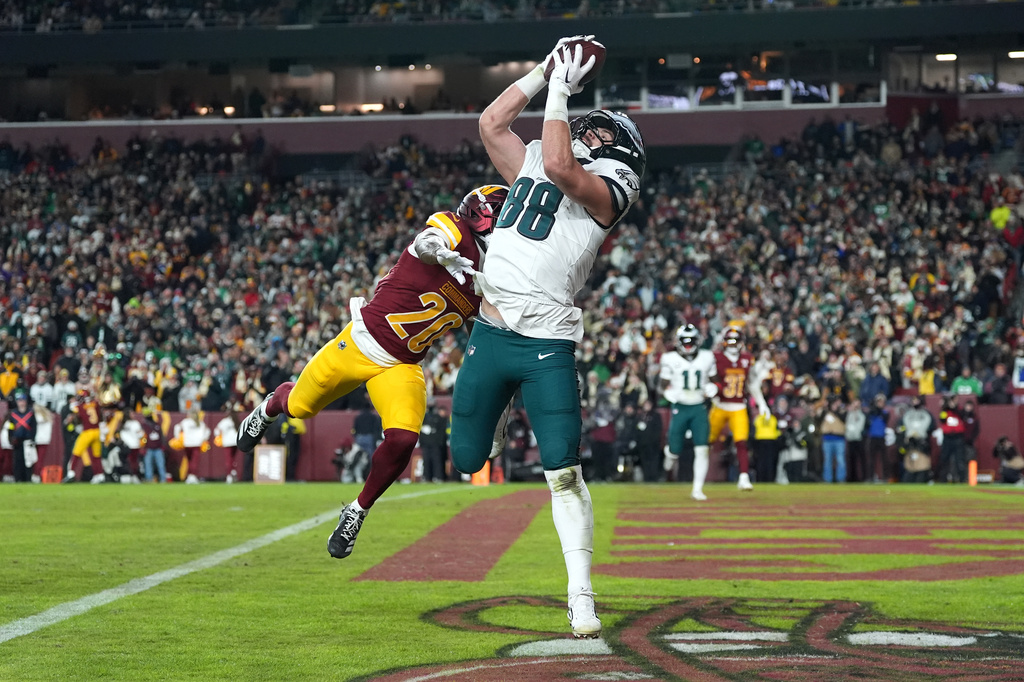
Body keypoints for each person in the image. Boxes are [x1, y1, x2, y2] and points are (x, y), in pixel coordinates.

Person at [448, 35, 645, 639]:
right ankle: (498, 409)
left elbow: (562, 166)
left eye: (597, 132)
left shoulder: (611, 186)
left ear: (617, 151)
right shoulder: (535, 154)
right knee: (465, 460)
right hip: (490, 328)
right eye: (582, 125)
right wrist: (545, 71)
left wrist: (561, 91)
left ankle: (580, 595)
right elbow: (490, 123)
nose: (585, 132)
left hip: (546, 343)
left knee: (563, 469)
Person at [235, 184, 509, 557]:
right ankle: (269, 407)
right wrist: (445, 256)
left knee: (403, 439)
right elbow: (428, 243)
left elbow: (480, 336)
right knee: (299, 407)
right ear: (486, 215)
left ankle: (356, 511)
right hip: (362, 341)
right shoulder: (451, 230)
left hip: (403, 365)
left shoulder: (488, 277)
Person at [659, 324, 717, 500]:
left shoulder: (707, 357)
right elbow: (662, 384)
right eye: (685, 341)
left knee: (702, 449)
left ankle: (697, 489)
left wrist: (713, 386)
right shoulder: (669, 358)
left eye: (691, 340)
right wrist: (667, 392)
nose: (688, 344)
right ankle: (670, 454)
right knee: (675, 448)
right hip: (681, 406)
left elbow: (714, 380)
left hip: (699, 406)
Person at [708, 325, 767, 491]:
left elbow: (752, 385)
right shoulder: (716, 357)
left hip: (739, 406)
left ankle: (743, 477)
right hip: (719, 405)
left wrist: (761, 403)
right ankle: (698, 474)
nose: (733, 345)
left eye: (736, 341)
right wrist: (709, 387)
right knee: (706, 441)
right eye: (730, 341)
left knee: (741, 442)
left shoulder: (747, 359)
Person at [64, 388, 106, 484]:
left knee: (76, 453)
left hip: (87, 432)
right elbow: (100, 416)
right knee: (96, 456)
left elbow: (73, 409)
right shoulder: (95, 404)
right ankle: (99, 475)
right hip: (97, 431)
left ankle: (71, 473)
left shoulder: (79, 406)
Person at [4, 391, 36, 482]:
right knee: (17, 461)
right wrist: (10, 438)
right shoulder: (13, 414)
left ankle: (27, 479)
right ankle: (18, 479)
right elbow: (10, 427)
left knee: (28, 461)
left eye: (23, 400)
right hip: (17, 440)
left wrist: (33, 439)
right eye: (19, 400)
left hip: (27, 440)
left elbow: (34, 427)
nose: (21, 402)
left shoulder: (31, 413)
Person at [419, 402, 450, 483]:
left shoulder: (439, 418)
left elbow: (441, 432)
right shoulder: (424, 418)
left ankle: (438, 476)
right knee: (426, 461)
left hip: (435, 444)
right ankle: (426, 476)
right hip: (426, 443)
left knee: (437, 461)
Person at [213, 408, 242, 483]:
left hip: (227, 442)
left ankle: (229, 475)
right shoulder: (236, 421)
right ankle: (233, 471)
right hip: (236, 442)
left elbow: (216, 431)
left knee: (228, 460)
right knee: (233, 459)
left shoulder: (225, 421)